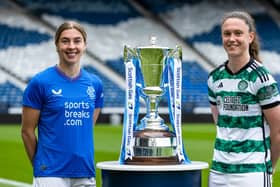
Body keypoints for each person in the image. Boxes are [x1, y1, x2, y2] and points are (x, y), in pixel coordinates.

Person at [21, 21, 104, 187]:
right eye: (65, 41)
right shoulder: (40, 82)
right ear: (57, 45)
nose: (71, 46)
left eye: (77, 41)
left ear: (85, 45)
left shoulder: (95, 84)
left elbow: (88, 126)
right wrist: (41, 167)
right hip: (51, 173)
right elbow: (27, 131)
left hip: (84, 171)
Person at [207, 11, 280, 187]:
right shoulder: (214, 78)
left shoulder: (261, 78)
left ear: (250, 37)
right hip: (219, 171)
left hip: (252, 172)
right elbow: (220, 123)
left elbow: (278, 131)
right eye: (227, 33)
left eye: (238, 33)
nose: (232, 38)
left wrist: (270, 167)